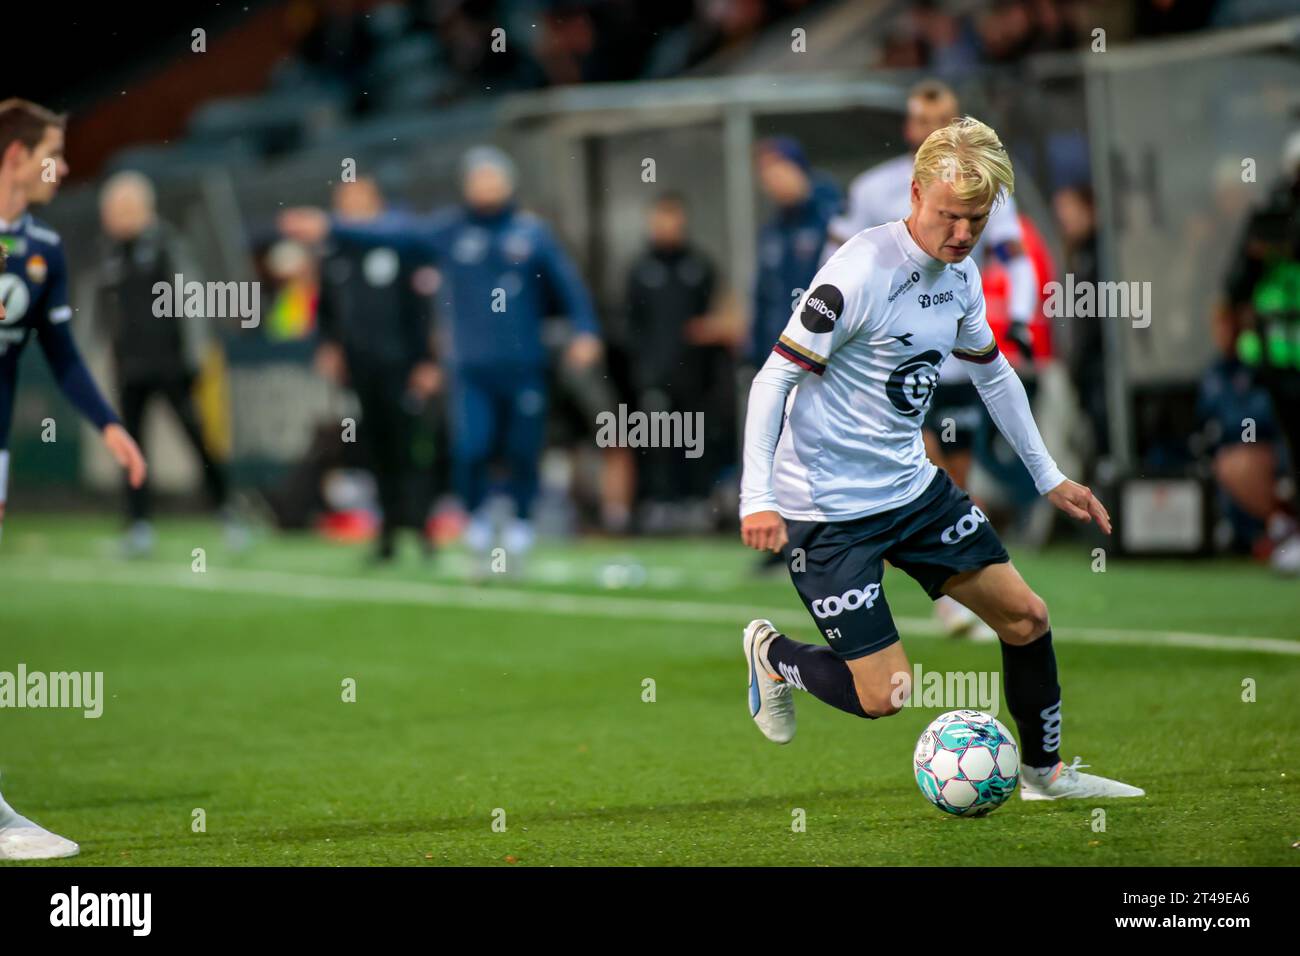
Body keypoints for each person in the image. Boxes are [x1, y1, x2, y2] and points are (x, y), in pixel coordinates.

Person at [738, 116, 1143, 801]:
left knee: (1026, 618)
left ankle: (1044, 774)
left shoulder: (958, 277)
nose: (962, 234)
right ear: (916, 193)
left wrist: (1049, 477)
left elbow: (992, 372)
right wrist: (757, 496)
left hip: (914, 493)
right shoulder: (859, 271)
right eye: (950, 216)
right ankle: (772, 655)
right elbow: (772, 377)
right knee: (886, 695)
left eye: (976, 220)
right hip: (829, 511)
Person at [280, 146, 602, 572]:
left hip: (524, 365)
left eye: (492, 177)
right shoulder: (450, 231)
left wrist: (586, 329)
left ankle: (520, 528)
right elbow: (391, 233)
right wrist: (330, 226)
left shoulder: (532, 234)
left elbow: (569, 286)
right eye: (478, 178)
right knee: (471, 448)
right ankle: (478, 526)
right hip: (471, 368)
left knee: (524, 450)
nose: (485, 186)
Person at [822, 78, 1041, 641]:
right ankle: (932, 589)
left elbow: (1016, 258)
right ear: (910, 128)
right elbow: (835, 263)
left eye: (944, 119)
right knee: (917, 463)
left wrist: (1016, 321)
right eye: (923, 121)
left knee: (953, 479)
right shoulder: (875, 189)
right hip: (887, 366)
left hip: (956, 359)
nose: (933, 129)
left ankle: (941, 579)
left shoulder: (983, 185)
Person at [0, 98, 147, 860]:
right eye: (53, 152)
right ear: (15, 157)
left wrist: (111, 424)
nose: (64, 167)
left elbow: (59, 355)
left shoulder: (42, 248)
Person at [95, 170, 241, 556]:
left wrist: (195, 359)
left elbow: (192, 304)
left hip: (173, 365)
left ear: (140, 207)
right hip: (130, 369)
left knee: (198, 440)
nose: (111, 217)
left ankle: (228, 513)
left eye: (117, 208)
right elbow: (104, 314)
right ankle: (139, 525)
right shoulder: (111, 253)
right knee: (131, 449)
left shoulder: (167, 245)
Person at [315, 176, 440, 562]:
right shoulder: (335, 253)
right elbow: (328, 310)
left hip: (401, 365)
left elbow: (422, 308)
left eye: (356, 201)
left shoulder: (398, 245)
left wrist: (427, 361)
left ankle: (422, 531)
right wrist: (330, 346)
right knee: (375, 450)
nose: (348, 209)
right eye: (343, 202)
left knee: (411, 447)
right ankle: (386, 533)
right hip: (360, 368)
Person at [624, 192, 728, 531]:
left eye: (672, 217)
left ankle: (697, 503)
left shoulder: (699, 266)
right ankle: (660, 504)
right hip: (655, 374)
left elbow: (715, 315)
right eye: (660, 218)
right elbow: (631, 323)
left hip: (697, 374)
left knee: (696, 439)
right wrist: (643, 368)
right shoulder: (640, 269)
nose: (666, 225)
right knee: (659, 440)